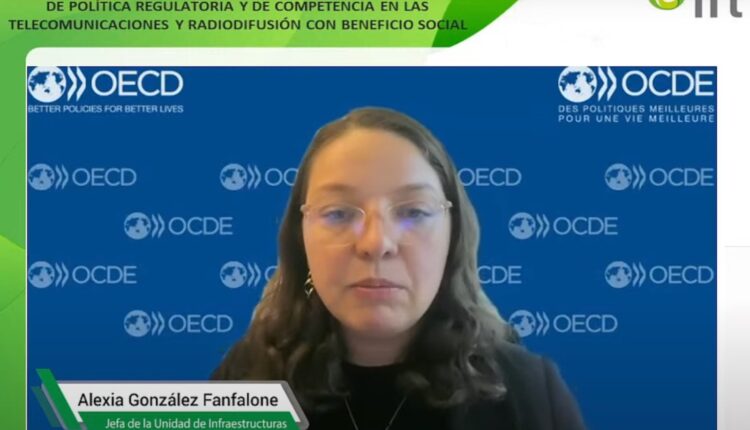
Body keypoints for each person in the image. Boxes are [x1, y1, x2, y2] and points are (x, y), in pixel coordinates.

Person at [212, 107, 586, 430]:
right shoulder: (242, 382)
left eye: (413, 212)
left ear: (453, 237)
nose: (376, 243)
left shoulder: (530, 393)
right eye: (338, 213)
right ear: (301, 239)